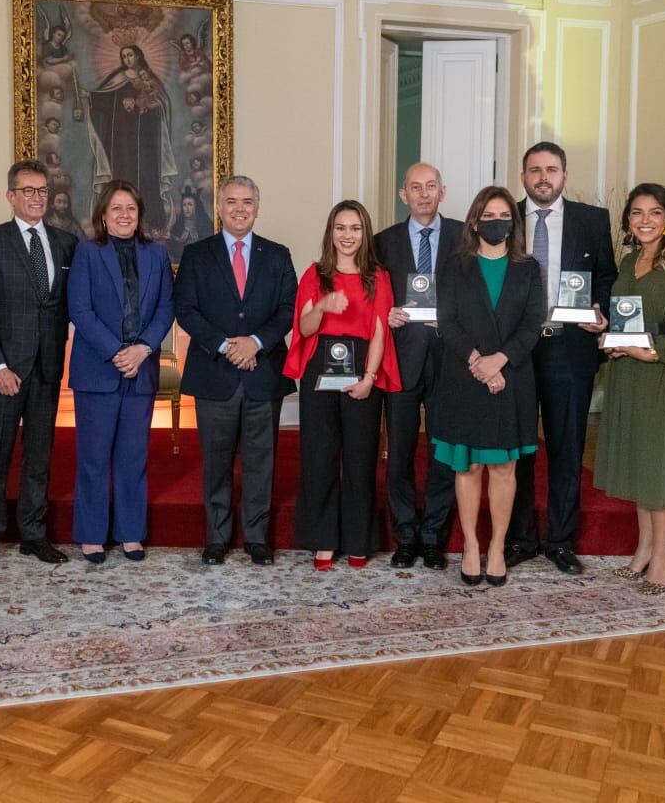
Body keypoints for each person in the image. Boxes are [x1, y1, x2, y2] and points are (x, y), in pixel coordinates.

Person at [174, 176, 296, 566]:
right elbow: (185, 309)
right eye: (232, 201)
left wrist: (256, 343)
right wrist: (228, 345)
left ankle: (257, 537)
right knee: (216, 460)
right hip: (215, 373)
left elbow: (288, 309)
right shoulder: (196, 254)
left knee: (262, 460)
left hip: (264, 372)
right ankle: (217, 537)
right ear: (220, 207)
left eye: (247, 202)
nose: (240, 208)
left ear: (257, 208)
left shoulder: (277, 255)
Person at [508, 141, 617, 574]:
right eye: (535, 170)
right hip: (514, 350)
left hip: (570, 349)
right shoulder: (504, 217)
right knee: (515, 448)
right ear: (523, 177)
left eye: (551, 169)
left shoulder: (592, 221)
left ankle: (559, 539)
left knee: (567, 447)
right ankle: (520, 537)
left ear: (564, 175)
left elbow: (607, 276)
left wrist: (601, 310)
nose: (543, 177)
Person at [593, 184, 665, 594]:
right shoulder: (628, 262)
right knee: (641, 465)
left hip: (664, 372)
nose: (645, 220)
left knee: (660, 469)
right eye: (637, 213)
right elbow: (627, 317)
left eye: (654, 212)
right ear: (627, 220)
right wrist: (604, 328)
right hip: (627, 373)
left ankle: (662, 558)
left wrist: (655, 353)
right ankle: (642, 550)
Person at [429, 186, 545, 587]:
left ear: (512, 223)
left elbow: (532, 324)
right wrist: (479, 361)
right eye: (490, 215)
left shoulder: (528, 268)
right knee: (469, 465)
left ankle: (497, 546)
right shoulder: (454, 265)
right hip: (464, 377)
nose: (498, 222)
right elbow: (448, 321)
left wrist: (500, 360)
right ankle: (471, 546)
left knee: (503, 466)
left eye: (505, 216)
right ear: (475, 220)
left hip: (511, 378)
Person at [0, 160, 78, 573]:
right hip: (5, 372)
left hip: (48, 369)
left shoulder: (66, 243)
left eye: (42, 190)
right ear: (11, 195)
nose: (37, 197)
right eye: (28, 190)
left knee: (39, 457)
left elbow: (67, 304)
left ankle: (33, 535)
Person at [284, 200, 401, 571]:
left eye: (354, 228)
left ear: (364, 233)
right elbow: (303, 328)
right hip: (320, 370)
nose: (347, 235)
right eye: (340, 227)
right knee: (320, 457)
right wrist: (323, 306)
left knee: (359, 459)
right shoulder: (313, 274)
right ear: (330, 232)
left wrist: (369, 378)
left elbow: (381, 330)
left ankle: (357, 539)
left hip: (363, 368)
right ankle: (323, 540)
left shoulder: (378, 277)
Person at [68, 179, 176, 563]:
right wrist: (118, 352)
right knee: (94, 457)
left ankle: (131, 533)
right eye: (116, 209)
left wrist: (143, 349)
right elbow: (79, 310)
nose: (124, 215)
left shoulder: (156, 254)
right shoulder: (87, 252)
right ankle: (92, 534)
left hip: (141, 370)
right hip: (98, 370)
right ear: (103, 214)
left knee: (134, 455)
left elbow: (166, 307)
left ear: (139, 214)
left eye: (130, 208)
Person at [375, 162, 464, 570]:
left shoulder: (467, 237)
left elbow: (478, 295)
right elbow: (373, 300)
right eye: (416, 187)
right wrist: (388, 313)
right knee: (400, 455)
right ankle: (406, 535)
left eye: (431, 186)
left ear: (442, 191)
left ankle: (434, 536)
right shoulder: (382, 242)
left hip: (451, 360)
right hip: (402, 357)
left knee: (443, 452)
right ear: (403, 194)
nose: (424, 194)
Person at [83, 45, 180, 227]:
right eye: (124, 56)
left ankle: (151, 224)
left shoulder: (148, 79)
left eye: (130, 55)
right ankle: (117, 225)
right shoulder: (118, 79)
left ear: (138, 56)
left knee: (147, 178)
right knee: (122, 178)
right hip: (121, 143)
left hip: (146, 142)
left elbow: (161, 103)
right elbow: (104, 99)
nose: (127, 59)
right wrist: (91, 96)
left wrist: (142, 103)